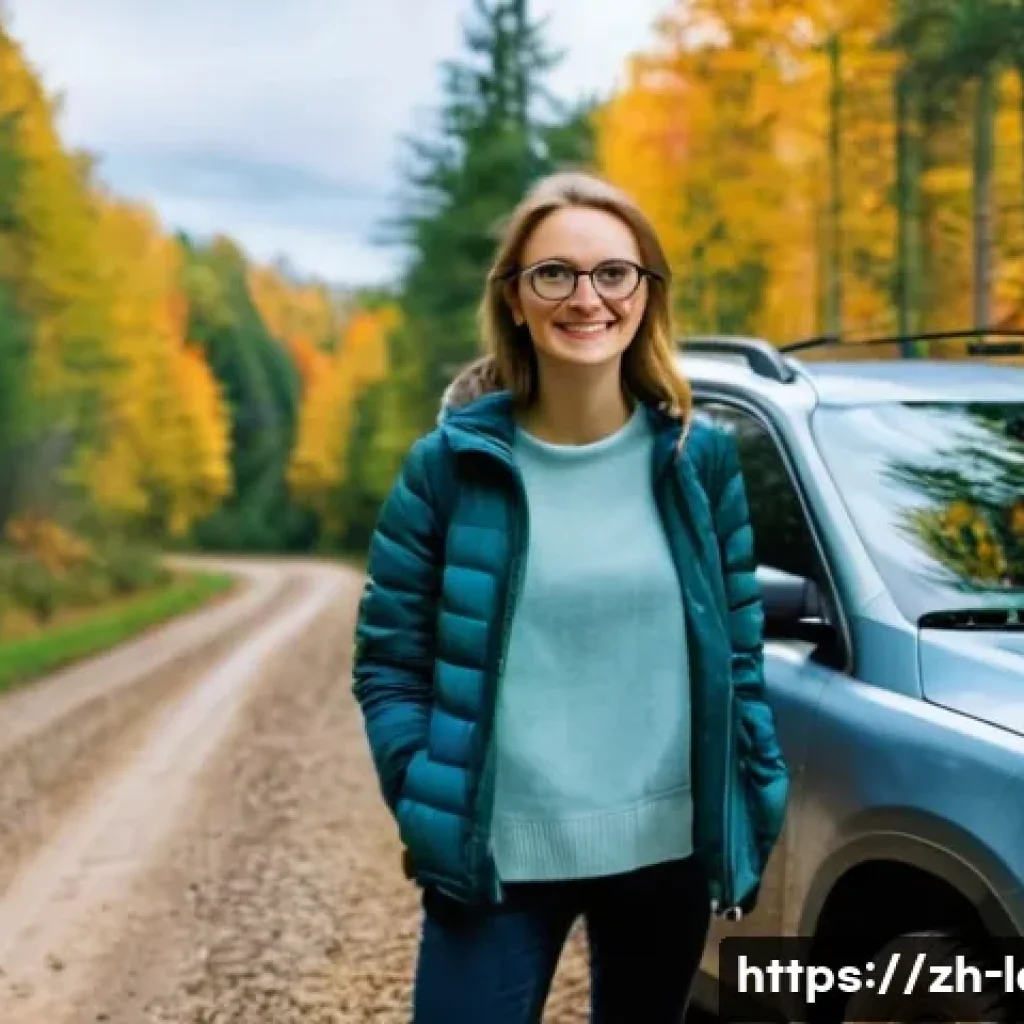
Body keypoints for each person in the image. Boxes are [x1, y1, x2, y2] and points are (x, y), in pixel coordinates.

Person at [351, 170, 790, 1023]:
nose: (586, 298)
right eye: (554, 273)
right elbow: (389, 664)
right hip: (496, 855)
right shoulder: (447, 469)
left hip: (666, 855)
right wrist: (421, 787)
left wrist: (754, 790)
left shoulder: (699, 462)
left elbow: (739, 655)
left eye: (613, 273)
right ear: (515, 300)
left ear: (646, 294)